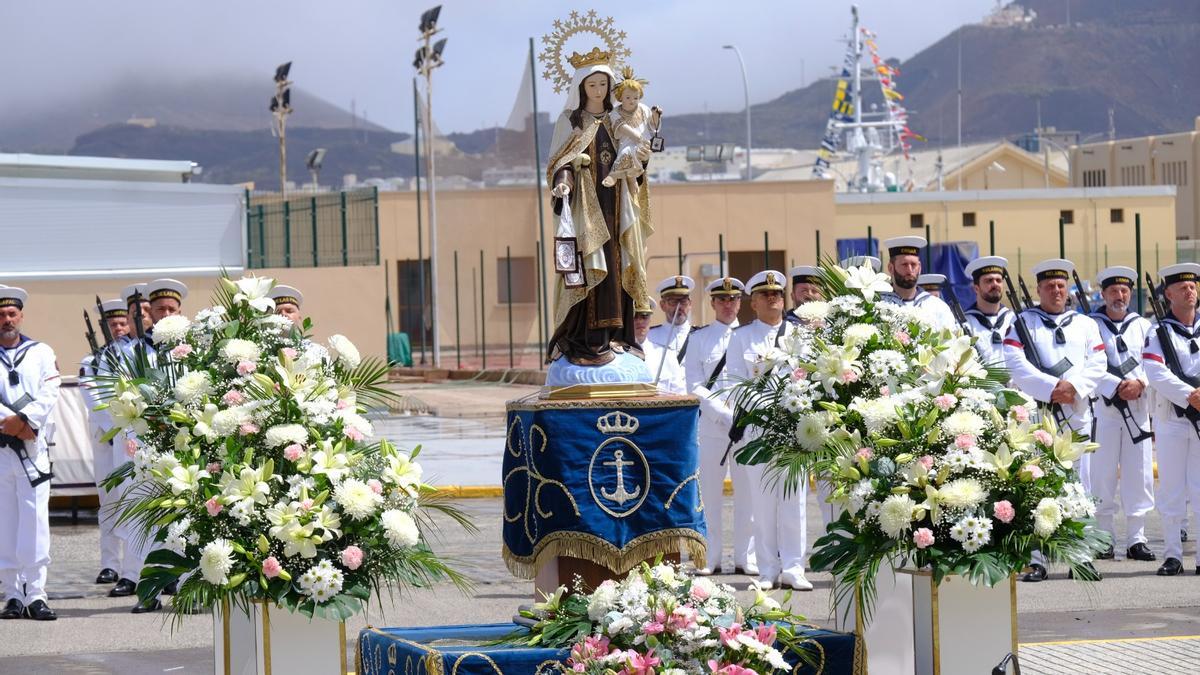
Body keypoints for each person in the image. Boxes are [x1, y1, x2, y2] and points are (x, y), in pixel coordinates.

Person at [545, 47, 653, 366]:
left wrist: (640, 162)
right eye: (591, 85)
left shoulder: (617, 118)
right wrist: (566, 176)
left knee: (617, 265)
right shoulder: (572, 120)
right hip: (586, 208)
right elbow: (556, 162)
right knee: (589, 264)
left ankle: (619, 336)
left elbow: (633, 153)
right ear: (581, 87)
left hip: (616, 205)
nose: (598, 90)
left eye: (603, 85)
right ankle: (583, 339)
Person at [1003, 258, 1106, 582]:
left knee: (1080, 485)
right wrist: (1050, 389)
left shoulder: (1086, 324)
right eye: (1049, 286)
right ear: (1039, 290)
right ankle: (1037, 559)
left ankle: (1081, 556)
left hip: (1076, 414)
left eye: (1061, 285)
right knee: (1036, 484)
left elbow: (1098, 361)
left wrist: (1072, 387)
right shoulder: (1022, 323)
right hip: (1040, 416)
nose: (1056, 291)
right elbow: (1015, 364)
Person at [726, 271, 811, 591]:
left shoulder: (800, 336)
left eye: (778, 293)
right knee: (762, 504)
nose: (773, 297)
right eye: (765, 294)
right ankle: (767, 569)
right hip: (759, 429)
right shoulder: (741, 338)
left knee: (795, 502)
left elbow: (809, 379)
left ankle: (793, 567)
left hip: (793, 429)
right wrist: (768, 406)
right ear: (754, 302)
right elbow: (734, 383)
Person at [685, 277, 756, 576]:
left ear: (740, 302)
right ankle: (710, 556)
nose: (728, 304)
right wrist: (723, 414)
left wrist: (743, 414)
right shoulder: (699, 339)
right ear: (712, 303)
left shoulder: (751, 336)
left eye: (734, 299)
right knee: (709, 495)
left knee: (749, 495)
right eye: (722, 300)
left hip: (748, 427)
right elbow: (695, 385)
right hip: (713, 428)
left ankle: (746, 556)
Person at [0, 287, 61, 621]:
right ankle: (12, 594)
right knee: (5, 523)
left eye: (11, 314)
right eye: (1, 315)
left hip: (33, 448)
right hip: (1, 449)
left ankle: (36, 594)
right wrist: (8, 422)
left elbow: (50, 391)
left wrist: (27, 421)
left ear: (21, 316)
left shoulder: (41, 351)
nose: (6, 320)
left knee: (35, 523)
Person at [1088, 267, 1156, 563]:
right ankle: (1104, 538)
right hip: (1104, 409)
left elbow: (1153, 361)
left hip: (1137, 408)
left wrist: (1140, 382)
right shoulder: (1090, 325)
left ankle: (1136, 538)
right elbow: (1088, 362)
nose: (1119, 296)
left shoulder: (1143, 325)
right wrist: (1115, 386)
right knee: (1101, 474)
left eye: (1125, 290)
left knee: (1138, 474)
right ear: (1102, 294)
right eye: (1113, 291)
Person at [1141, 263, 1200, 576]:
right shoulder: (1158, 331)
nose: (1189, 291)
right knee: (1173, 490)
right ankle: (1173, 555)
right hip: (1171, 419)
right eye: (1182, 287)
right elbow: (1155, 370)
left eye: (1192, 286)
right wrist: (1189, 395)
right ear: (1168, 294)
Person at [80, 298, 131, 588]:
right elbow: (94, 401)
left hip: (130, 438)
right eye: (113, 325)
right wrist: (116, 432)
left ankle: (139, 565)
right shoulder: (93, 361)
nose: (120, 328)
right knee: (109, 501)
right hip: (106, 440)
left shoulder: (138, 356)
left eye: (123, 322)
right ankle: (110, 564)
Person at [600, 66, 662, 188]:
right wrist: (637, 137)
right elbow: (621, 127)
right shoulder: (615, 113)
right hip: (627, 142)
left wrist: (655, 115)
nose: (632, 101)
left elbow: (653, 126)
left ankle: (629, 177)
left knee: (639, 153)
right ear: (620, 97)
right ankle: (617, 175)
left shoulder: (644, 109)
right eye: (628, 97)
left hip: (644, 144)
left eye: (635, 98)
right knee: (627, 151)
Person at [878, 236, 957, 331]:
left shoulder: (937, 306)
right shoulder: (879, 304)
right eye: (904, 265)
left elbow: (950, 341)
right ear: (891, 268)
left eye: (913, 265)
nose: (910, 270)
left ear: (919, 268)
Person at [963, 257, 1015, 368]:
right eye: (989, 281)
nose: (995, 284)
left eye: (998, 280)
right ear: (976, 288)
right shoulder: (965, 323)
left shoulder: (1013, 320)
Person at [633, 300, 684, 394]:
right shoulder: (618, 355)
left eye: (644, 316)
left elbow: (680, 394)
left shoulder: (666, 355)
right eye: (634, 317)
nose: (640, 321)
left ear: (650, 320)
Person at [647, 276, 696, 359]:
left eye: (683, 301)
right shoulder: (650, 336)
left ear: (690, 304)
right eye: (673, 302)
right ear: (662, 305)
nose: (679, 306)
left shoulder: (700, 335)